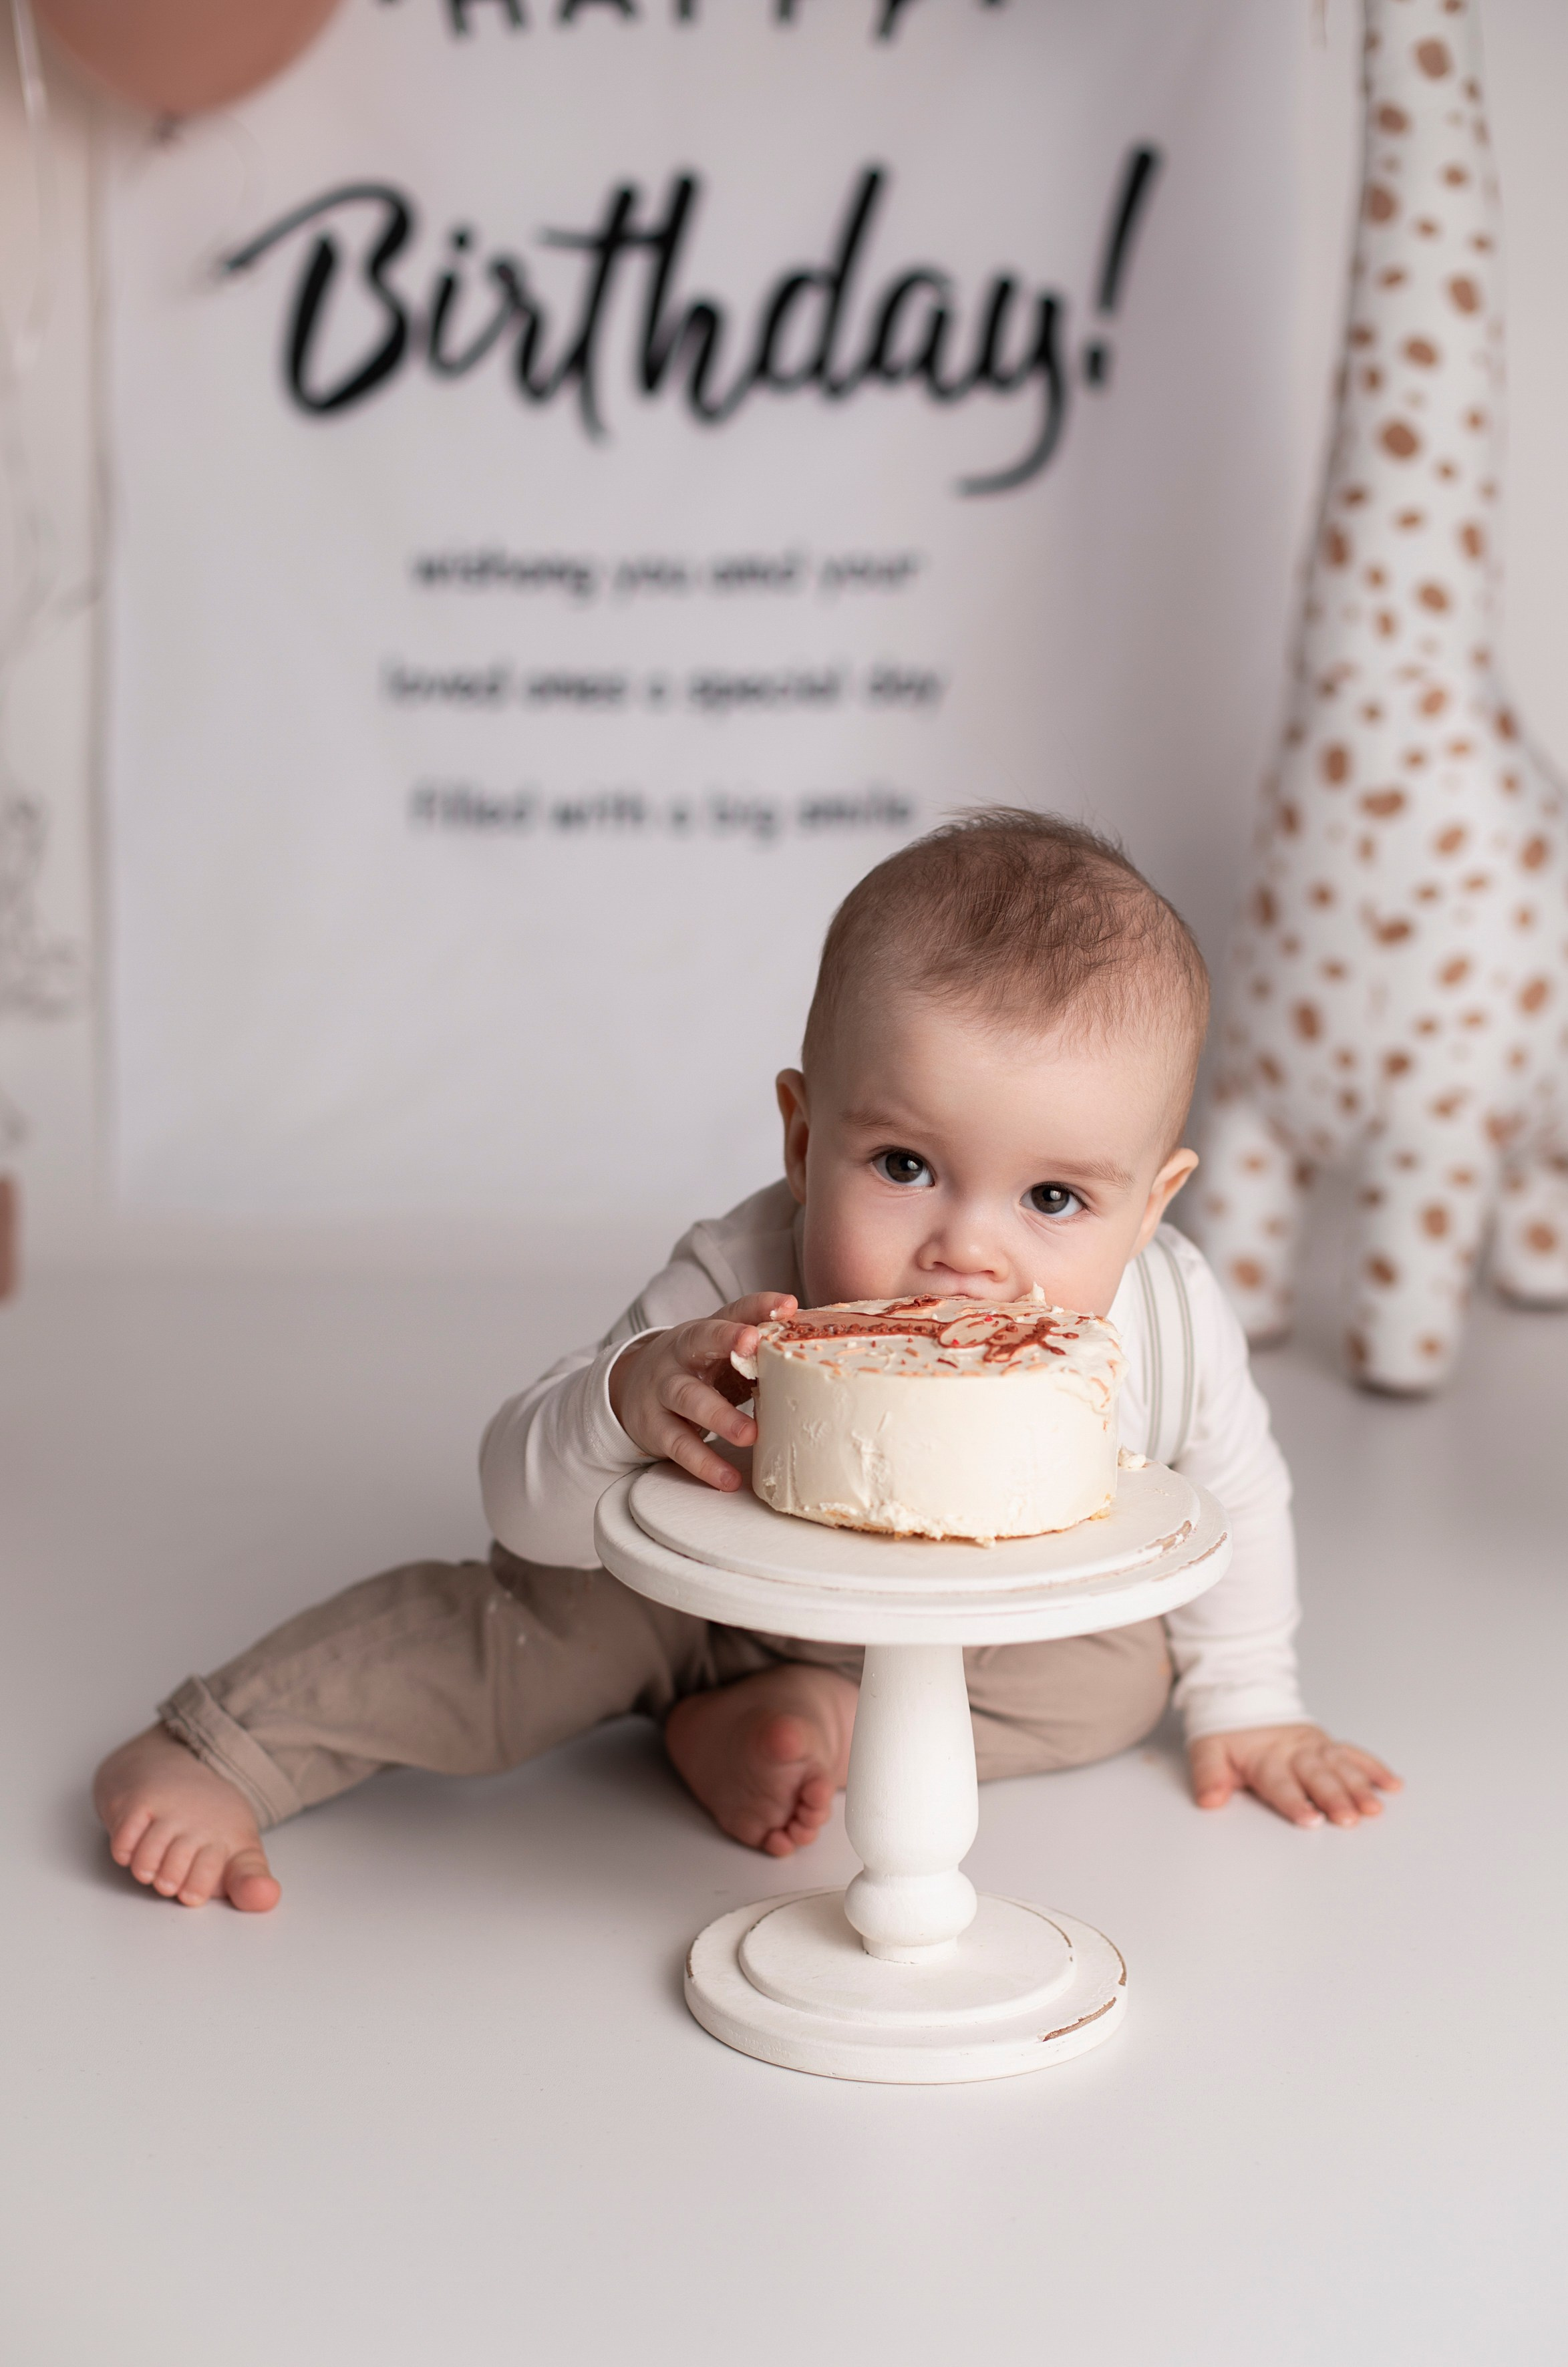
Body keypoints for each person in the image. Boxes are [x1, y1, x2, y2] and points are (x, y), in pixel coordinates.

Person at [92, 810, 1399, 1911]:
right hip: (704, 1601)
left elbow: (1239, 1492)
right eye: (903, 1166)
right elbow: (519, 1500)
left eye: (1054, 1198)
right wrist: (625, 1398)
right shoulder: (738, 1281)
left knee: (1121, 1676)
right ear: (801, 1134)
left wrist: (1249, 1694)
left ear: (1154, 1203)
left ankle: (807, 1722)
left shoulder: (1166, 1316)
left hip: (967, 1633)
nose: (967, 1253)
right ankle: (229, 1740)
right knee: (531, 1629)